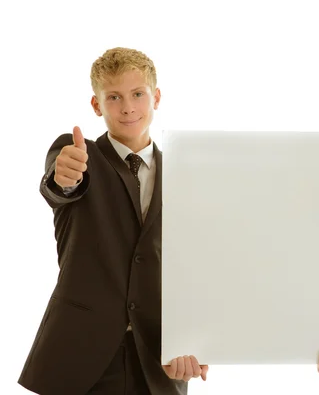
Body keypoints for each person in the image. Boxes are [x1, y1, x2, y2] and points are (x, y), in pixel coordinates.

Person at [18, 47, 207, 395]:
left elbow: (194, 267)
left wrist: (194, 337)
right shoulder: (78, 155)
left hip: (158, 359)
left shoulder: (185, 173)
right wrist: (65, 177)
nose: (128, 107)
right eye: (114, 97)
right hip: (83, 360)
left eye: (138, 94)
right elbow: (61, 187)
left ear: (157, 97)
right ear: (96, 105)